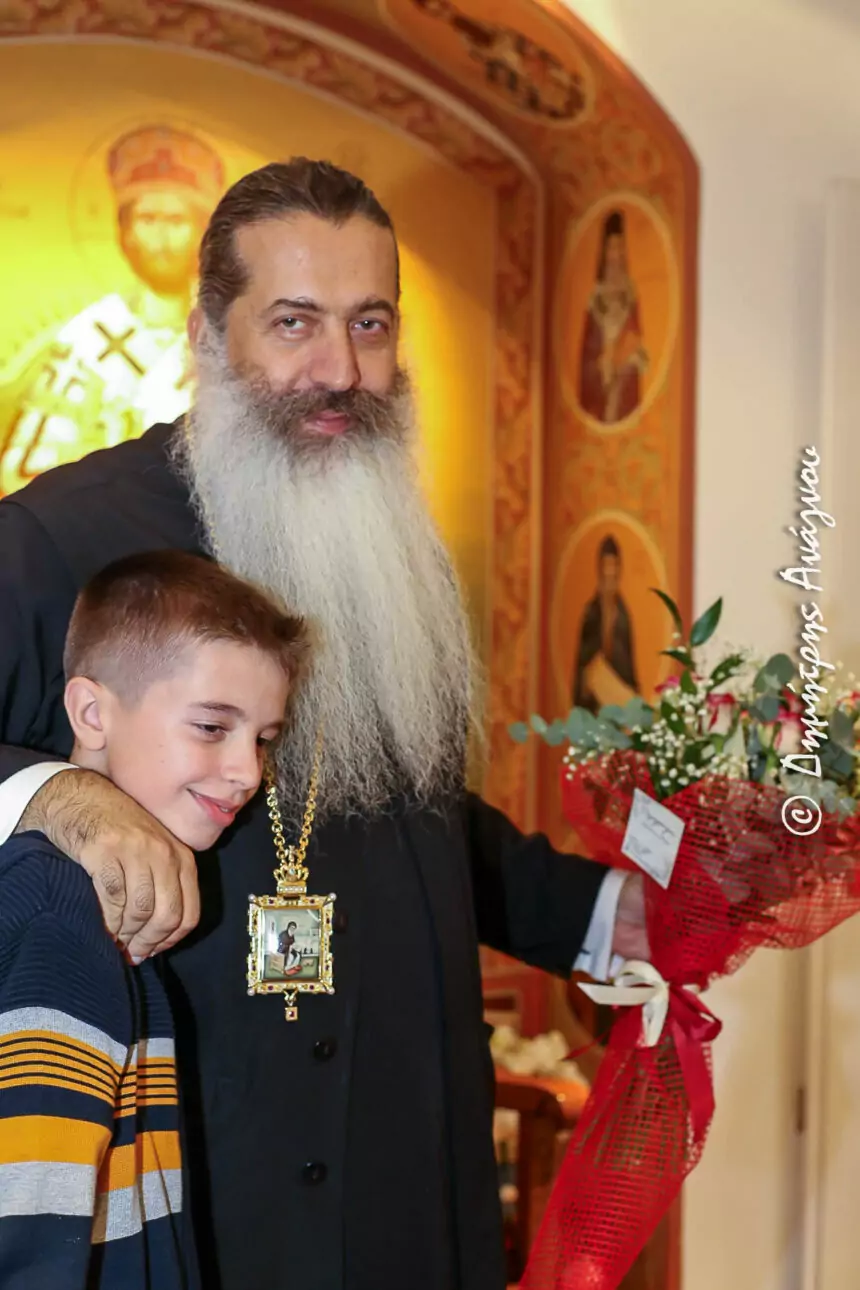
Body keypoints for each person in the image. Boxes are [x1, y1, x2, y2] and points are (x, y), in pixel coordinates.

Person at [0, 158, 648, 1290]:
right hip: (202, 1171)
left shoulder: (385, 536)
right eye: (294, 322)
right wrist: (62, 795)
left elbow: (410, 812)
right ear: (208, 334)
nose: (340, 369)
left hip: (405, 1158)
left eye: (370, 323)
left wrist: (608, 915)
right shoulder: (59, 536)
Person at [0, 548, 306, 1288]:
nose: (249, 772)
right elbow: (30, 1239)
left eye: (264, 739)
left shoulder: (89, 899)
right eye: (211, 727)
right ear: (92, 713)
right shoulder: (62, 916)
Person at [0, 125, 225, 495]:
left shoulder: (230, 336)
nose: (161, 238)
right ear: (126, 232)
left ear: (202, 233)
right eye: (148, 220)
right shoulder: (89, 340)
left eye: (176, 221)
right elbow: (26, 472)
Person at [578, 209, 649, 425]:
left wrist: (626, 358)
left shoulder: (630, 297)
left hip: (624, 379)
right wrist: (602, 364)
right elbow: (586, 357)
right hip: (601, 381)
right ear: (604, 252)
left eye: (620, 247)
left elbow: (637, 341)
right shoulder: (595, 300)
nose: (616, 255)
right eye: (611, 248)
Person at [573, 534, 640, 713]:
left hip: (617, 704)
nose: (610, 572)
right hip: (594, 705)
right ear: (600, 569)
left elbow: (629, 667)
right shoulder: (591, 614)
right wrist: (588, 679)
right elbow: (582, 664)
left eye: (614, 565)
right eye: (607, 566)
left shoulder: (623, 617)